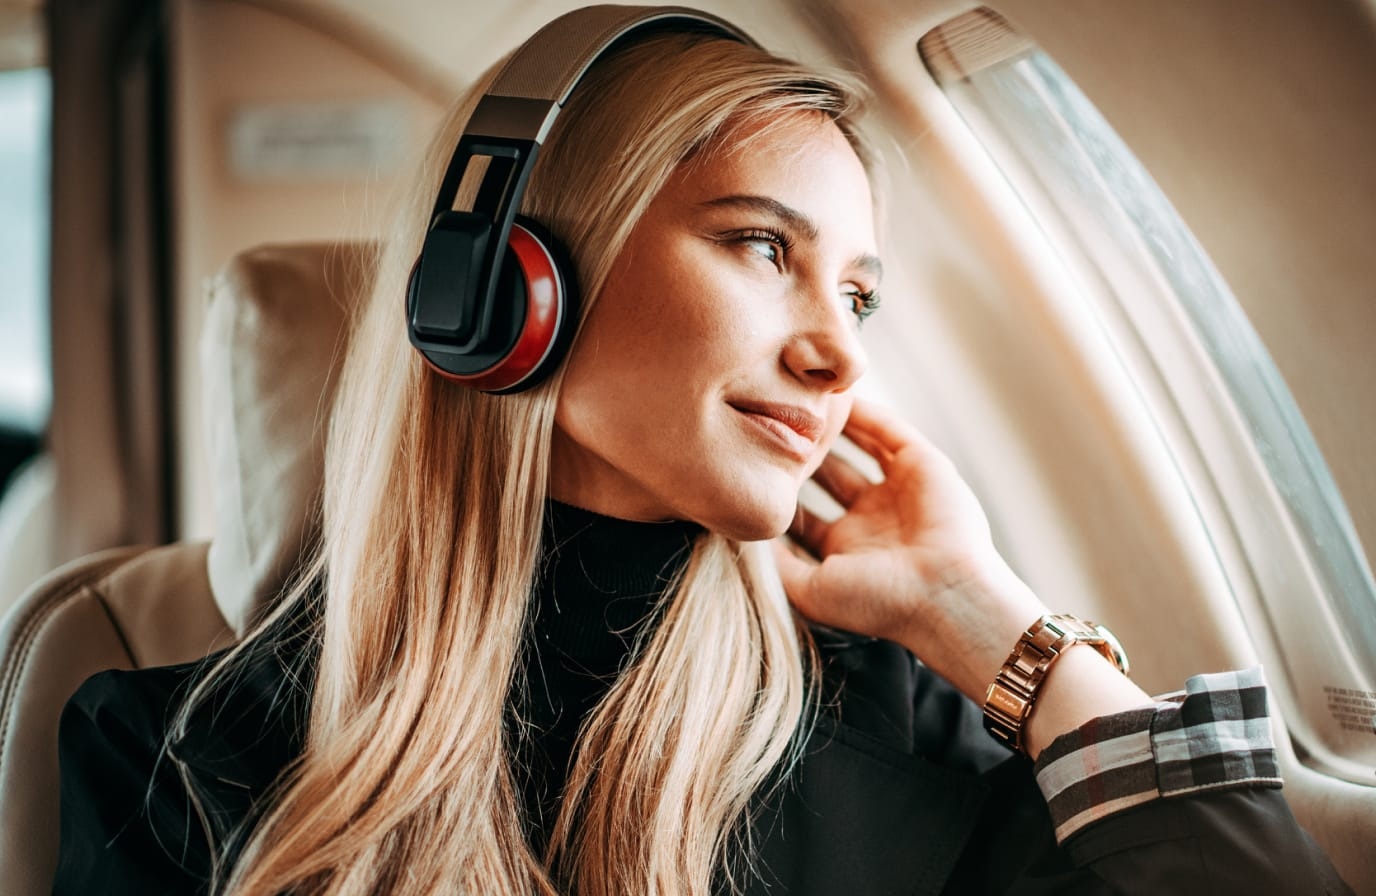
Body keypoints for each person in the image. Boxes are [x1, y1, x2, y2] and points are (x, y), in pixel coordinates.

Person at [53, 7, 1352, 896]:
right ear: (504, 288)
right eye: (763, 246)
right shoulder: (173, 757)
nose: (839, 354)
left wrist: (987, 618)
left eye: (860, 297)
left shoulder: (895, 713)